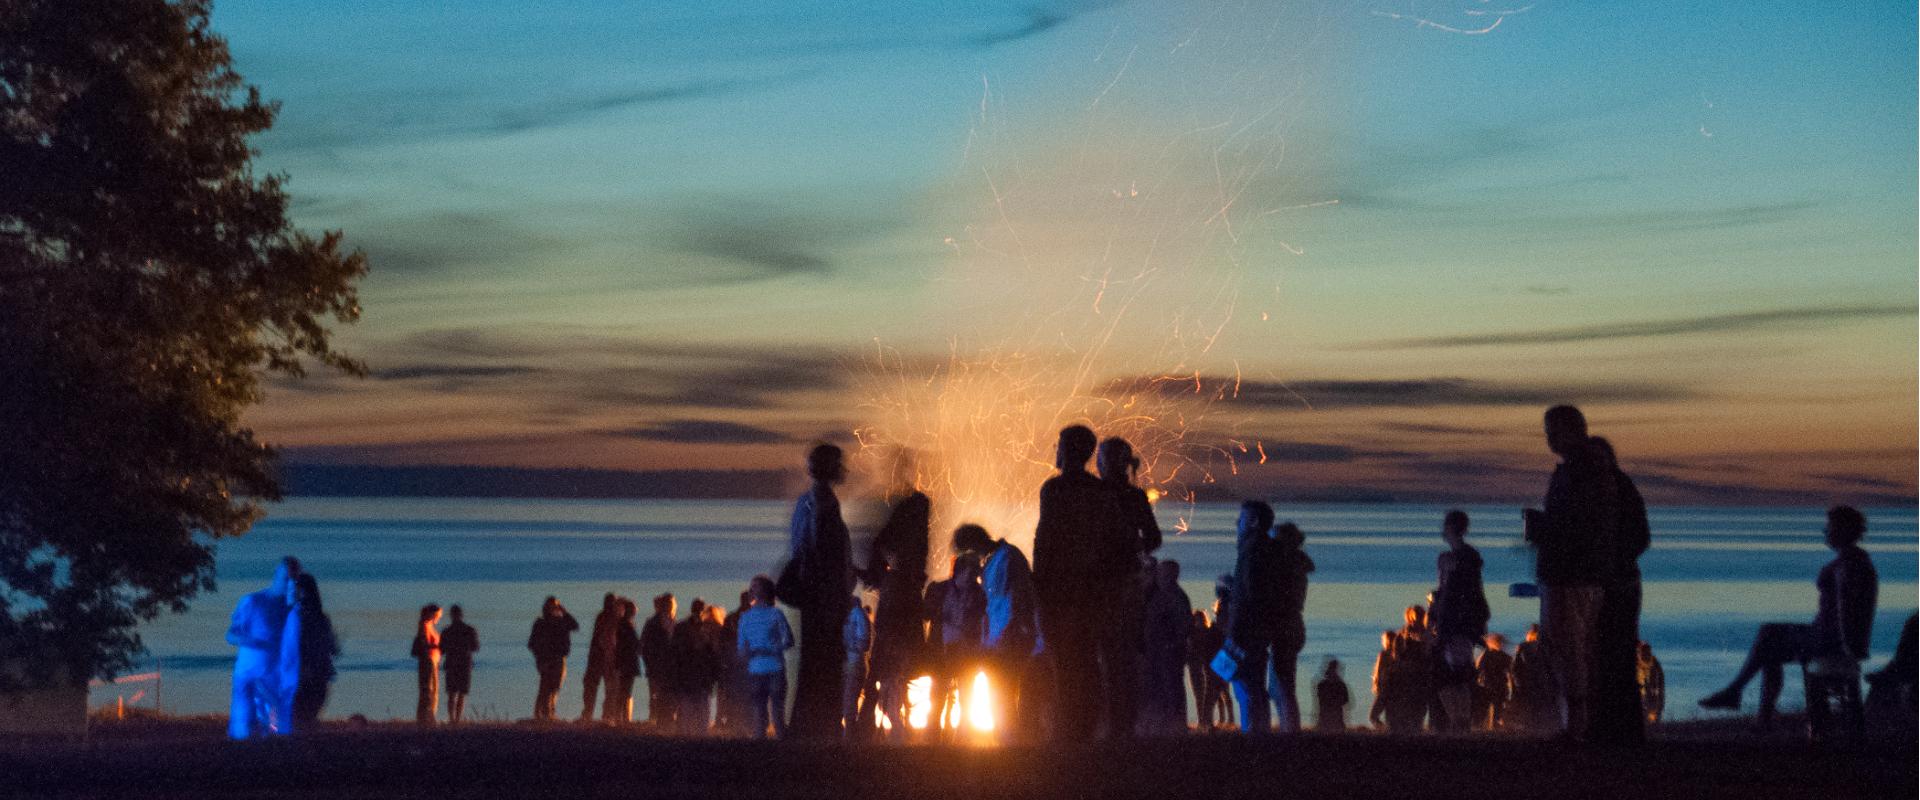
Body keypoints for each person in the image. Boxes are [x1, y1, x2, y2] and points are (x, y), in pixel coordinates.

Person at [1699, 505, 1879, 729]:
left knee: (1769, 634)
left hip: (1829, 639)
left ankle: (1737, 694)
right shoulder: (1857, 561)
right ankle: (1756, 713)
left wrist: (1850, 647)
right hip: (1826, 635)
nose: (1825, 532)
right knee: (1770, 645)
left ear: (1842, 530)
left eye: (1830, 527)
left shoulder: (1848, 564)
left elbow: (1847, 609)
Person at [1523, 405, 1620, 740]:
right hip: (1573, 573)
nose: (1549, 438)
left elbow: (1580, 526)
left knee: (1569, 648)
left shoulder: (1582, 472)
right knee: (1568, 647)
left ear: (1572, 430)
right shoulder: (1582, 471)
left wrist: (1543, 529)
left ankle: (1577, 724)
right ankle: (1577, 721)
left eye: (1554, 430)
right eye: (1547, 431)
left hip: (1570, 575)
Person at [1031, 425, 1127, 741]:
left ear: (1068, 450)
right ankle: (1086, 726)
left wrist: (1039, 587)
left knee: (1063, 660)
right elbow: (1116, 542)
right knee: (1085, 659)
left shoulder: (1055, 490)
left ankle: (1071, 728)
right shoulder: (1101, 492)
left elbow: (1045, 541)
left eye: (1058, 445)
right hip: (1092, 591)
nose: (1055, 451)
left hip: (1060, 590)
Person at [781, 443, 855, 738]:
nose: (844, 470)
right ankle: (819, 725)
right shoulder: (822, 504)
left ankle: (810, 724)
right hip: (823, 596)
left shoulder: (808, 502)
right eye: (839, 464)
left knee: (815, 660)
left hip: (817, 594)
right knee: (824, 660)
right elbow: (820, 552)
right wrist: (835, 589)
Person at [857, 452, 931, 736]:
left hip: (899, 598)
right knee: (894, 664)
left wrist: (874, 574)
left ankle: (874, 723)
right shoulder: (912, 506)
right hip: (902, 596)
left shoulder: (909, 506)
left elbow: (882, 543)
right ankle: (878, 723)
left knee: (887, 665)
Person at [1588, 436, 1651, 745]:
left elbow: (1640, 536)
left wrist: (1613, 560)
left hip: (1620, 584)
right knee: (1605, 655)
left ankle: (1623, 728)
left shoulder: (1618, 488)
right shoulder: (1603, 490)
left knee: (1618, 655)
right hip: (1611, 582)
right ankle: (1611, 725)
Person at [1097, 437, 1162, 737]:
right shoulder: (1135, 497)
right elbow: (1154, 539)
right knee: (1125, 657)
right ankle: (1124, 723)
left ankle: (1110, 723)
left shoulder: (1096, 494)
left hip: (1103, 588)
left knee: (1106, 656)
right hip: (1128, 586)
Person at [954, 523, 1040, 742]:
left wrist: (1013, 630)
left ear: (973, 546)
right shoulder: (993, 562)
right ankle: (1010, 747)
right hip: (998, 640)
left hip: (1010, 638)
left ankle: (1012, 748)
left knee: (1003, 693)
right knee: (1001, 694)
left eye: (965, 553)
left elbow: (1020, 597)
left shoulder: (1008, 557)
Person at [1429, 510, 1489, 733]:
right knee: (1452, 674)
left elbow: (1464, 591)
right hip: (1453, 622)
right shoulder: (1457, 558)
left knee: (1454, 674)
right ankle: (1460, 719)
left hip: (1458, 624)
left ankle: (1460, 720)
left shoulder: (1463, 559)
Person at [227, 556, 300, 739]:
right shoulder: (253, 602)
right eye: (285, 578)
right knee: (242, 724)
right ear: (277, 575)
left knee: (278, 725)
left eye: (293, 580)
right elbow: (231, 634)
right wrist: (256, 643)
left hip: (274, 678)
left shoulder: (292, 610)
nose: (288, 584)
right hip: (247, 674)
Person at [928, 554, 987, 736]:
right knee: (938, 696)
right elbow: (925, 612)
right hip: (945, 650)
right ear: (958, 572)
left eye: (973, 576)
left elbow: (981, 621)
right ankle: (933, 737)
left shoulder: (978, 594)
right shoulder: (941, 590)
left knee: (965, 697)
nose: (970, 580)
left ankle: (962, 736)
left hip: (966, 652)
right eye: (968, 575)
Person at [737, 575, 796, 739]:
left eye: (755, 586)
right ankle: (768, 745)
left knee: (770, 710)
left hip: (770, 668)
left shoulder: (774, 614)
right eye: (752, 586)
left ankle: (772, 744)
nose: (752, 589)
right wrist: (765, 650)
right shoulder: (746, 617)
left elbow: (789, 640)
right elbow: (741, 648)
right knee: (762, 711)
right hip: (761, 669)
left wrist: (763, 650)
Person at [1141, 559, 1192, 735]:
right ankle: (1166, 724)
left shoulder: (1174, 596)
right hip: (1159, 650)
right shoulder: (1160, 595)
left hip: (1167, 651)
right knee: (1163, 687)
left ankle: (1173, 725)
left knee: (1170, 686)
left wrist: (1173, 643)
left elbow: (1183, 625)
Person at [288, 573, 338, 730]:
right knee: (306, 716)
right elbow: (331, 647)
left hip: (307, 673)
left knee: (301, 716)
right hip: (315, 673)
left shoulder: (299, 617)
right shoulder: (319, 618)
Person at [526, 596, 578, 722]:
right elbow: (532, 643)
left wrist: (565, 612)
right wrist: (540, 657)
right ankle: (542, 714)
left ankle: (549, 712)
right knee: (545, 687)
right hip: (546, 659)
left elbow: (575, 626)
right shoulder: (541, 623)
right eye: (552, 606)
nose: (554, 608)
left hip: (560, 658)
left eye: (556, 606)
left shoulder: (562, 621)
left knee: (555, 687)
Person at [1384, 607, 1432, 732]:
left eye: (1420, 616)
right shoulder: (1404, 634)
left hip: (1421, 672)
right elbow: (1397, 654)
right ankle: (1410, 729)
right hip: (1409, 673)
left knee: (1419, 705)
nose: (1418, 620)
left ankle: (1415, 729)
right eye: (1416, 616)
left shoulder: (1426, 633)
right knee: (1411, 704)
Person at [1509, 623, 1558, 732]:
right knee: (1540, 707)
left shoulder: (1524, 646)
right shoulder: (1545, 647)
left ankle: (1531, 730)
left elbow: (1515, 667)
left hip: (1529, 681)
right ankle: (1540, 730)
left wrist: (1517, 681)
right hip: (1541, 682)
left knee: (1530, 707)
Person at [580, 593, 621, 721]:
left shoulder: (605, 617)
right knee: (607, 687)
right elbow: (605, 638)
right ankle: (602, 714)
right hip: (603, 657)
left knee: (600, 687)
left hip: (600, 657)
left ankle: (597, 713)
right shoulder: (611, 617)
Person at [640, 593, 677, 728]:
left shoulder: (672, 621)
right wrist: (650, 662)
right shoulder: (653, 623)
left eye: (671, 604)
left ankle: (665, 718)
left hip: (668, 664)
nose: (670, 606)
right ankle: (656, 718)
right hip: (658, 664)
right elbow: (644, 645)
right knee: (656, 693)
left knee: (666, 693)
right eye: (669, 603)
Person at [440, 605, 480, 724]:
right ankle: (457, 719)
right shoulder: (469, 630)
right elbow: (475, 647)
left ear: (451, 615)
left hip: (451, 664)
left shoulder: (446, 631)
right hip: (465, 664)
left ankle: (452, 719)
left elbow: (441, 650)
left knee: (452, 693)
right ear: (461, 615)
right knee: (462, 693)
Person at [607, 598, 641, 724]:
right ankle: (621, 718)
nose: (634, 612)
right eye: (633, 610)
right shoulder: (625, 624)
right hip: (626, 661)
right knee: (625, 690)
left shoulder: (625, 624)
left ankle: (622, 717)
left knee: (625, 690)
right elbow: (628, 643)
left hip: (626, 661)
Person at [842, 597, 872, 733]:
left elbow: (864, 643)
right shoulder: (858, 615)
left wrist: (849, 646)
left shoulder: (857, 615)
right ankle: (851, 734)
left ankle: (850, 735)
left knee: (849, 700)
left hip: (854, 663)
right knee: (849, 700)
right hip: (853, 663)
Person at [1474, 633, 1514, 731]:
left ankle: (1480, 731)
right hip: (1500, 686)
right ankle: (1495, 731)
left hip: (1487, 686)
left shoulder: (1486, 655)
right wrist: (1511, 690)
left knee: (1482, 711)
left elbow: (1477, 669)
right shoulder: (1506, 657)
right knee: (1498, 711)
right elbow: (1510, 674)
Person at [411, 604, 443, 726]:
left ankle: (429, 717)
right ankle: (426, 718)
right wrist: (439, 646)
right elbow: (424, 644)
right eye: (438, 614)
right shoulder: (424, 626)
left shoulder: (428, 626)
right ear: (432, 614)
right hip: (427, 661)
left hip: (433, 661)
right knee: (428, 690)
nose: (439, 617)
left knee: (432, 690)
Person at [1187, 611, 1218, 729]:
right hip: (1196, 667)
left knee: (1207, 694)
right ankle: (1202, 720)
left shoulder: (1205, 632)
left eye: (1199, 619)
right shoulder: (1193, 633)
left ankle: (1206, 720)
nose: (1198, 622)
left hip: (1205, 666)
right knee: (1198, 694)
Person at [1368, 631, 1396, 729]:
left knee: (1373, 716)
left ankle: (1383, 730)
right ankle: (1386, 730)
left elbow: (1379, 672)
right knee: (1391, 717)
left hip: (1384, 690)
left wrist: (1377, 686)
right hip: (1393, 691)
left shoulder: (1384, 654)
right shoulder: (1398, 655)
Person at [1315, 659, 1350, 732]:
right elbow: (1345, 700)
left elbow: (1320, 700)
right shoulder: (1340, 685)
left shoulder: (1321, 685)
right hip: (1335, 718)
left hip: (1325, 718)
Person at [1636, 641, 1664, 725]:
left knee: (1652, 722)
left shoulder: (1655, 665)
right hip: (1643, 694)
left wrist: (1658, 709)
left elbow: (1660, 684)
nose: (1645, 654)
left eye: (1647, 651)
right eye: (1642, 651)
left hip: (1651, 696)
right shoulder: (1638, 664)